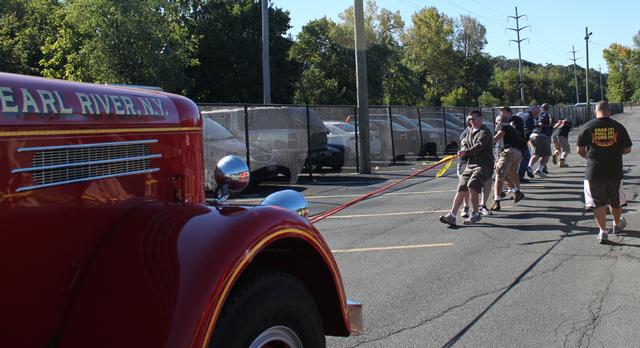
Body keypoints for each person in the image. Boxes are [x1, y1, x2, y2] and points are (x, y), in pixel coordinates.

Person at [577, 101, 632, 244]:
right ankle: (616, 224)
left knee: (598, 203)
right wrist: (613, 152)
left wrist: (589, 157)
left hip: (594, 171)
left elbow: (580, 150)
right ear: (610, 111)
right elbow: (627, 149)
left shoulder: (588, 126)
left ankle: (603, 232)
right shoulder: (618, 127)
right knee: (616, 200)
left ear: (596, 111)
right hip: (614, 169)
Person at [439, 110, 494, 226]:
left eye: (473, 118)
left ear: (480, 119)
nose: (471, 121)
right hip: (470, 164)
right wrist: (463, 147)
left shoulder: (485, 132)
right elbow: (465, 142)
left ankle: (475, 214)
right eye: (469, 119)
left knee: (472, 185)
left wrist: (466, 152)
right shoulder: (469, 131)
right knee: (462, 187)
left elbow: (478, 147)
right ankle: (452, 216)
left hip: (483, 165)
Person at [491, 114, 525, 211]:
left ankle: (496, 201)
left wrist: (486, 144)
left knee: (498, 175)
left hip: (509, 152)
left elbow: (498, 136)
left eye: (496, 121)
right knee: (505, 176)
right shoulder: (513, 129)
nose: (496, 124)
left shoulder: (503, 126)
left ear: (500, 121)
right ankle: (517, 192)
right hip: (518, 154)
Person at [518, 106, 540, 181]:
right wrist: (536, 126)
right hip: (522, 141)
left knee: (525, 157)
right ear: (534, 111)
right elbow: (526, 129)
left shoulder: (527, 115)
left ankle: (522, 173)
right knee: (526, 157)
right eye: (538, 112)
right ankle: (520, 176)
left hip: (523, 140)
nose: (539, 113)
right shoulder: (529, 117)